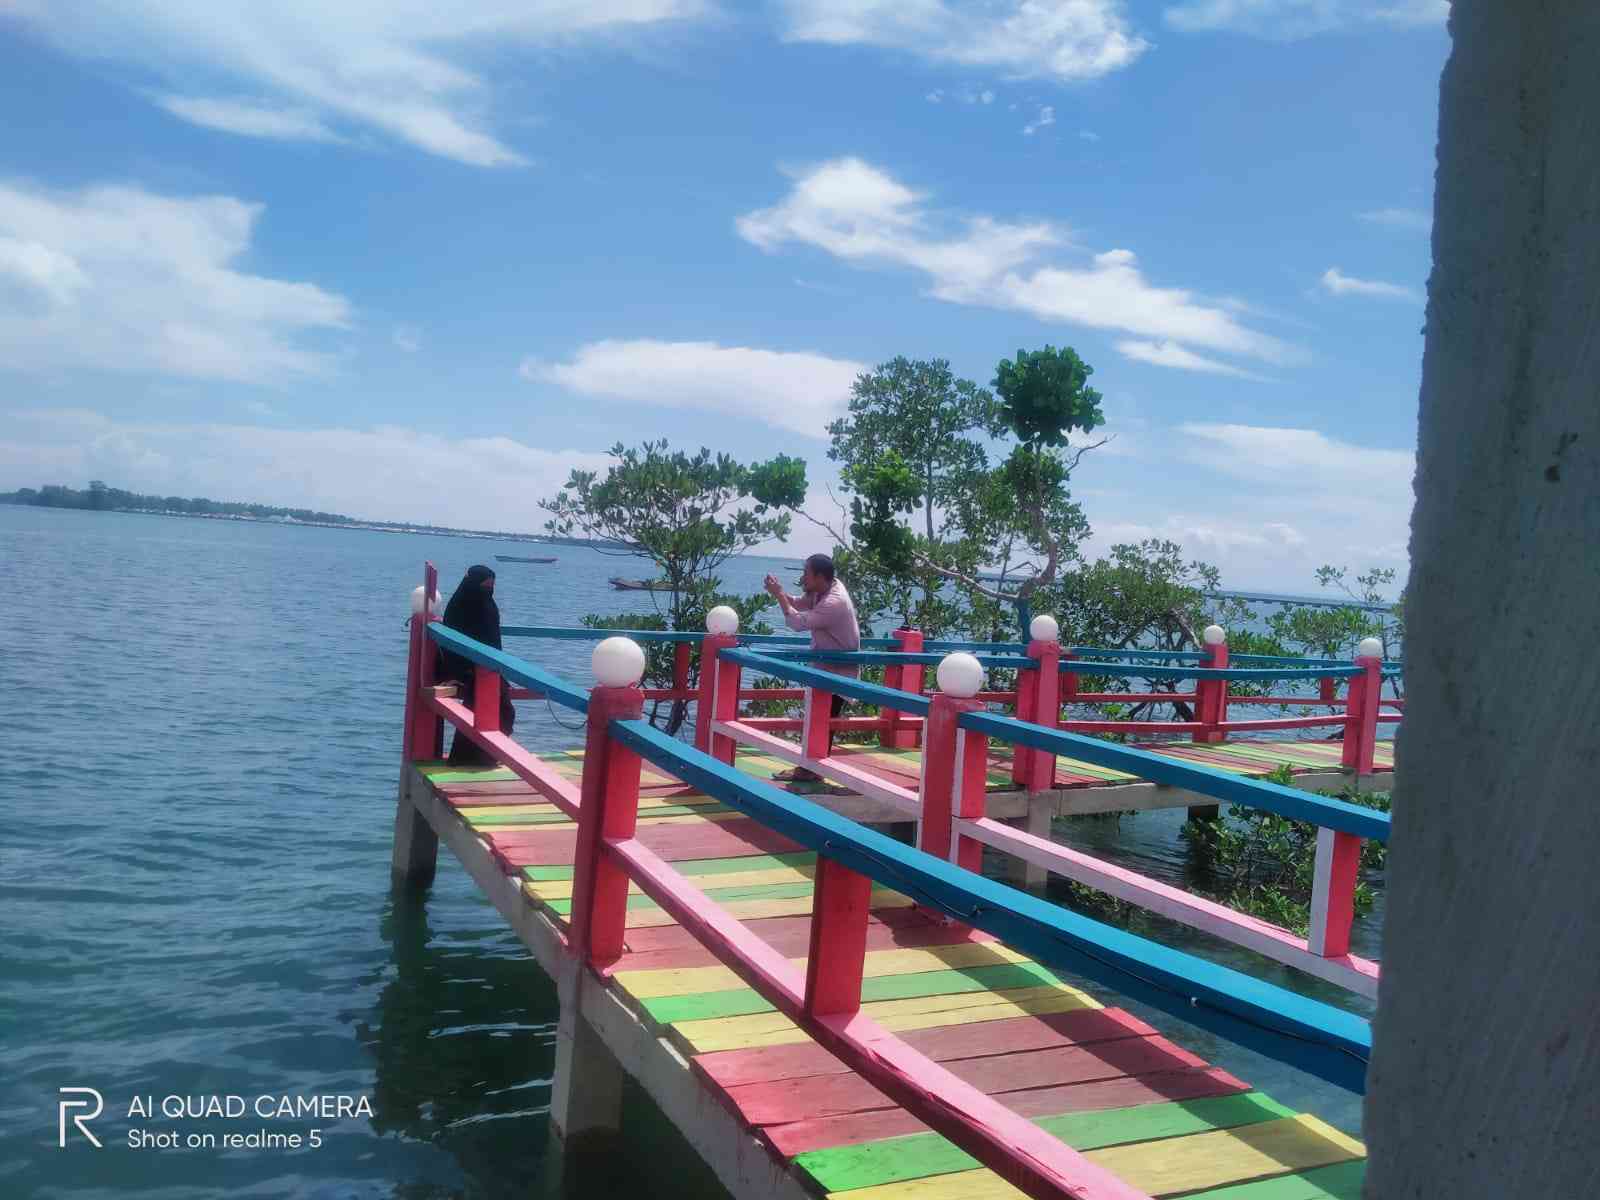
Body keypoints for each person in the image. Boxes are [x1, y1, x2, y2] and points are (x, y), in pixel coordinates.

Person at [763, 553, 860, 783]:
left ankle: (811, 772)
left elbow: (797, 623)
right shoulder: (824, 589)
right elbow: (797, 603)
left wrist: (778, 596)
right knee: (817, 722)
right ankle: (808, 769)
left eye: (806, 572)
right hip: (825, 668)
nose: (803, 577)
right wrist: (779, 592)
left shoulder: (834, 601)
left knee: (822, 724)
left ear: (819, 576)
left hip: (838, 671)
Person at [435, 564, 516, 766]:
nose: (489, 589)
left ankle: (486, 755)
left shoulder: (486, 603)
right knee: (489, 709)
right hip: (466, 668)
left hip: (489, 667)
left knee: (502, 710)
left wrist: (498, 669)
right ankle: (476, 757)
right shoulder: (460, 605)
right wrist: (465, 670)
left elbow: (493, 640)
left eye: (491, 586)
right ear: (473, 583)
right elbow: (453, 642)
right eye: (485, 585)